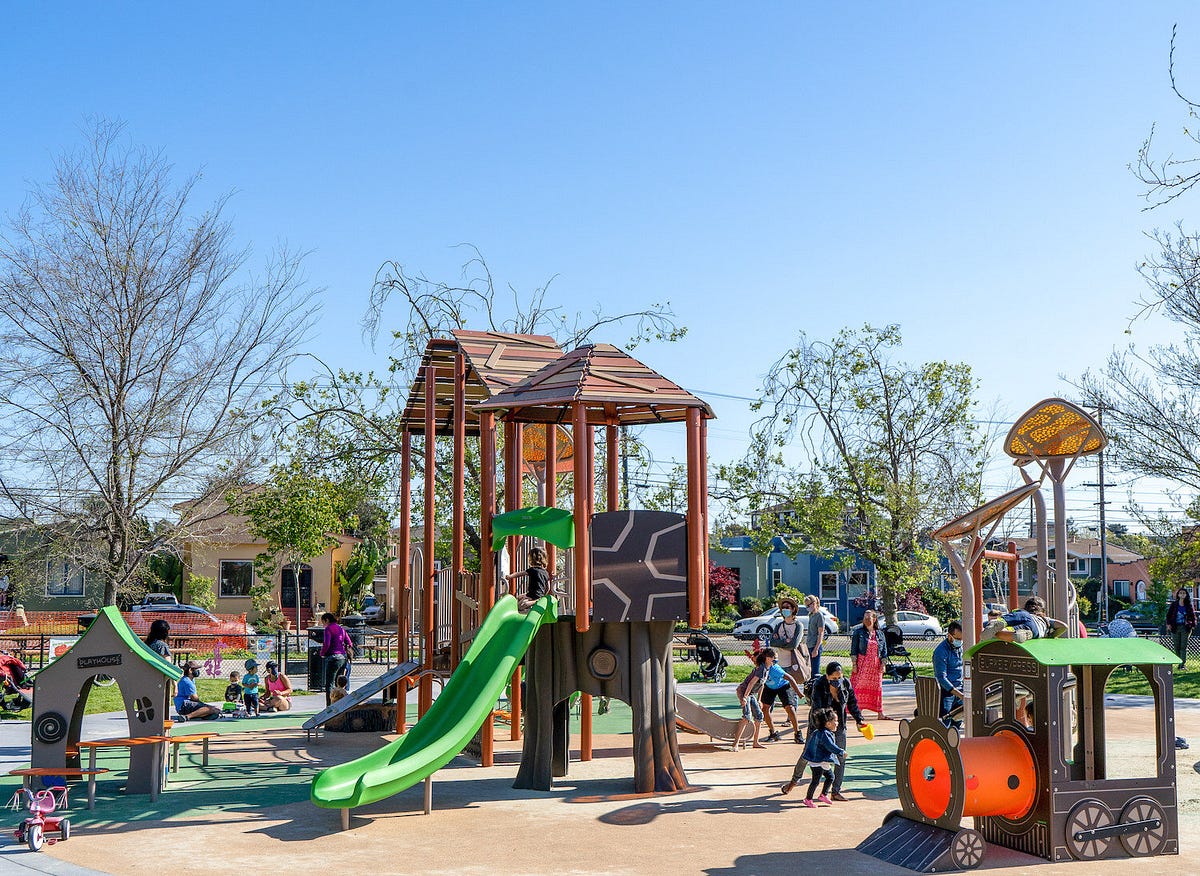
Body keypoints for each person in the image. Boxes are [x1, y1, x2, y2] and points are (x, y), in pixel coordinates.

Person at [802, 661, 865, 800]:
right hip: (820, 725)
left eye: (839, 677)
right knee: (807, 754)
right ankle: (794, 780)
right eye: (833, 678)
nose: (837, 680)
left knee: (840, 757)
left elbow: (852, 703)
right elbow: (817, 709)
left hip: (838, 724)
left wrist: (859, 720)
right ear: (827, 676)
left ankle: (835, 791)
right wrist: (826, 726)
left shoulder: (845, 684)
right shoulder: (819, 684)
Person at [784, 706, 845, 807]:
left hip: (822, 761)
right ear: (828, 723)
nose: (837, 723)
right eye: (835, 721)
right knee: (815, 781)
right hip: (817, 761)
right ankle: (808, 799)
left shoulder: (822, 732)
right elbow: (830, 746)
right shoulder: (824, 734)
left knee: (830, 777)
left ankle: (823, 795)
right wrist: (841, 752)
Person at [850, 610, 890, 721]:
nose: (866, 620)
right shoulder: (858, 632)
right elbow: (854, 649)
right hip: (862, 664)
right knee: (858, 687)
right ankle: (857, 711)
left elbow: (884, 651)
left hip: (875, 665)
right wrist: (854, 664)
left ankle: (880, 713)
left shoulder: (880, 634)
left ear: (874, 619)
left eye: (869, 618)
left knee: (877, 688)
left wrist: (883, 664)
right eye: (865, 618)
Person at [759, 647, 805, 744]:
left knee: (789, 707)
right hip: (769, 687)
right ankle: (773, 733)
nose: (775, 661)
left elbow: (790, 678)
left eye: (776, 659)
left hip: (783, 686)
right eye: (774, 659)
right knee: (765, 708)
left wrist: (798, 692)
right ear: (767, 658)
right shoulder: (761, 667)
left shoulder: (775, 669)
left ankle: (797, 733)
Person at [770, 596, 810, 685]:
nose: (785, 609)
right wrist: (785, 641)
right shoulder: (779, 625)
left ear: (793, 609)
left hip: (792, 664)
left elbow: (793, 645)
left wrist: (779, 642)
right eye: (783, 607)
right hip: (780, 664)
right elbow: (772, 642)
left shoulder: (798, 626)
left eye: (787, 607)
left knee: (791, 689)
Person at [933, 621, 965, 729]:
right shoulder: (940, 651)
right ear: (949, 636)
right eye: (958, 639)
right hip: (946, 693)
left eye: (962, 639)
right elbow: (941, 678)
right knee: (945, 724)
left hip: (960, 689)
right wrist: (959, 694)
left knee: (957, 724)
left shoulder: (961, 648)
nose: (960, 641)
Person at [319, 611, 354, 707]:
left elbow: (327, 644)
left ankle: (329, 706)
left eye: (323, 622)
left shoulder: (328, 629)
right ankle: (341, 704)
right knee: (339, 683)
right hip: (343, 658)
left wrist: (322, 653)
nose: (323, 624)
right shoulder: (341, 629)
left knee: (330, 683)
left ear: (327, 620)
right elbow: (349, 642)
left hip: (333, 658)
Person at [732, 657, 766, 751]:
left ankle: (755, 742)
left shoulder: (766, 670)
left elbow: (762, 684)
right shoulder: (760, 669)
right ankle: (735, 744)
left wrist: (759, 700)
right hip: (744, 692)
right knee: (747, 717)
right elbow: (751, 683)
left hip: (751, 694)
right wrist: (744, 698)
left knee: (759, 716)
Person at [518, 547, 560, 611]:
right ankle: (537, 600)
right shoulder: (545, 572)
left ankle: (537, 601)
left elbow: (520, 574)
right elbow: (548, 587)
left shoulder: (532, 570)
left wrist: (510, 576)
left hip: (533, 595)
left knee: (521, 605)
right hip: (536, 594)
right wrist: (543, 595)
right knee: (520, 598)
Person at [1166, 587, 1196, 669]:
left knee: (1183, 646)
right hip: (1175, 627)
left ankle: (1182, 665)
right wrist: (1168, 624)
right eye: (1181, 593)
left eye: (1184, 593)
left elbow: (1193, 617)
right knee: (1177, 646)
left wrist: (1191, 625)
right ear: (1178, 595)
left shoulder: (1188, 605)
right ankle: (1179, 662)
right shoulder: (1174, 605)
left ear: (1186, 595)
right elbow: (1168, 615)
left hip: (1185, 628)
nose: (1182, 594)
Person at [804, 594, 826, 681]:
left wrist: (816, 649)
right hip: (809, 645)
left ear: (813, 604)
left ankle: (816, 687)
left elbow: (820, 633)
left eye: (808, 605)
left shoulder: (819, 616)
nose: (807, 608)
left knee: (815, 672)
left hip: (815, 646)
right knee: (809, 670)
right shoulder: (811, 615)